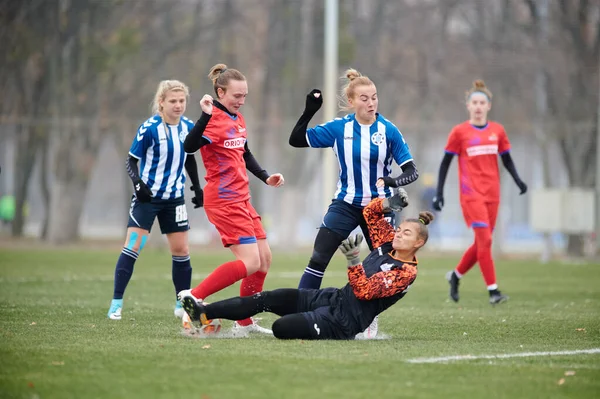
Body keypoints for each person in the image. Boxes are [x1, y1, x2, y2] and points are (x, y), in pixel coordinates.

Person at [178, 190, 434, 340]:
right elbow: (370, 214)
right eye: (399, 229)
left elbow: (364, 291)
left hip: (345, 322)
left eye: (406, 234)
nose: (398, 234)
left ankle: (304, 322)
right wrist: (389, 203)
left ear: (419, 243)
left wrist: (354, 260)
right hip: (333, 298)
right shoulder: (387, 243)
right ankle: (202, 314)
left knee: (281, 327)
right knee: (269, 298)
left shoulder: (406, 272)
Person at [289, 68, 419, 337]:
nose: (371, 103)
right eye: (364, 98)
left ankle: (368, 320)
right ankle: (299, 313)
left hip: (379, 209)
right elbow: (296, 140)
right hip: (345, 204)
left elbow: (411, 170)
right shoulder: (340, 128)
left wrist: (395, 181)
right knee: (318, 257)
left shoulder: (388, 130)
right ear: (352, 102)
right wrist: (309, 110)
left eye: (374, 97)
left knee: (380, 266)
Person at [181, 63, 284, 334]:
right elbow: (188, 147)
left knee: (264, 259)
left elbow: (245, 153)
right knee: (250, 262)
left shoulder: (238, 119)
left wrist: (265, 177)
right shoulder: (211, 118)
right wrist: (204, 115)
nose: (242, 100)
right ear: (220, 92)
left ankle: (244, 321)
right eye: (237, 96)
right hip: (224, 200)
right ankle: (194, 296)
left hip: (242, 198)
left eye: (245, 96)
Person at [107, 80, 204, 320]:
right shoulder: (149, 128)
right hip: (148, 198)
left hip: (175, 199)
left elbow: (190, 158)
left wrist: (197, 187)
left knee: (181, 250)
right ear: (161, 103)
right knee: (133, 246)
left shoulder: (189, 127)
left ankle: (181, 303)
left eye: (181, 101)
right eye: (173, 101)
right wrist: (138, 184)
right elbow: (131, 161)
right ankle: (116, 303)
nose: (178, 105)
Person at [432, 79, 528, 305]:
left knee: (482, 244)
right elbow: (445, 163)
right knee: (485, 240)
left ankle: (455, 276)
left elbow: (507, 159)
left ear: (488, 106)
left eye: (481, 102)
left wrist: (518, 181)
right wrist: (439, 193)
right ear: (468, 106)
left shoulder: (498, 131)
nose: (477, 106)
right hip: (470, 194)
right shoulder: (459, 132)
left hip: (493, 193)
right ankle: (493, 291)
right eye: (473, 102)